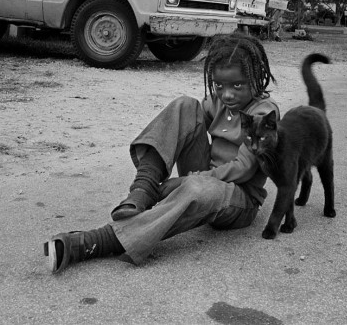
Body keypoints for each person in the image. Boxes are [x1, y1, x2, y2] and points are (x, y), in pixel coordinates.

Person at [43, 32, 279, 273]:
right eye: (219, 85)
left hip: (239, 199)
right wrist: (189, 171)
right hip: (205, 176)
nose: (227, 94)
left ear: (255, 77)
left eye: (237, 85)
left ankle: (99, 241)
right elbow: (191, 121)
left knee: (197, 188)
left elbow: (243, 168)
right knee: (186, 105)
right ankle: (143, 189)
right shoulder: (221, 102)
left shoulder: (262, 112)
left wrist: (187, 180)